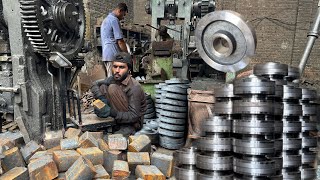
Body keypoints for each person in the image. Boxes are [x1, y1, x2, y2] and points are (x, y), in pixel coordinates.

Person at [91, 52, 147, 136]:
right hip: (119, 116)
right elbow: (94, 84)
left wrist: (111, 112)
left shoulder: (134, 87)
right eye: (115, 66)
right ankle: (113, 122)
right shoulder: (113, 79)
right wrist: (101, 98)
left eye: (121, 67)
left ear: (128, 70)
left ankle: (127, 128)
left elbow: (134, 116)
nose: (117, 70)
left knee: (112, 88)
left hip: (133, 122)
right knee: (103, 86)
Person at [101, 3, 128, 77]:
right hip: (112, 55)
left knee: (110, 79)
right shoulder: (114, 20)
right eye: (123, 15)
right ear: (120, 11)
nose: (123, 18)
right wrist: (127, 55)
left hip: (106, 55)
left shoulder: (106, 20)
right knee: (113, 81)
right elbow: (120, 41)